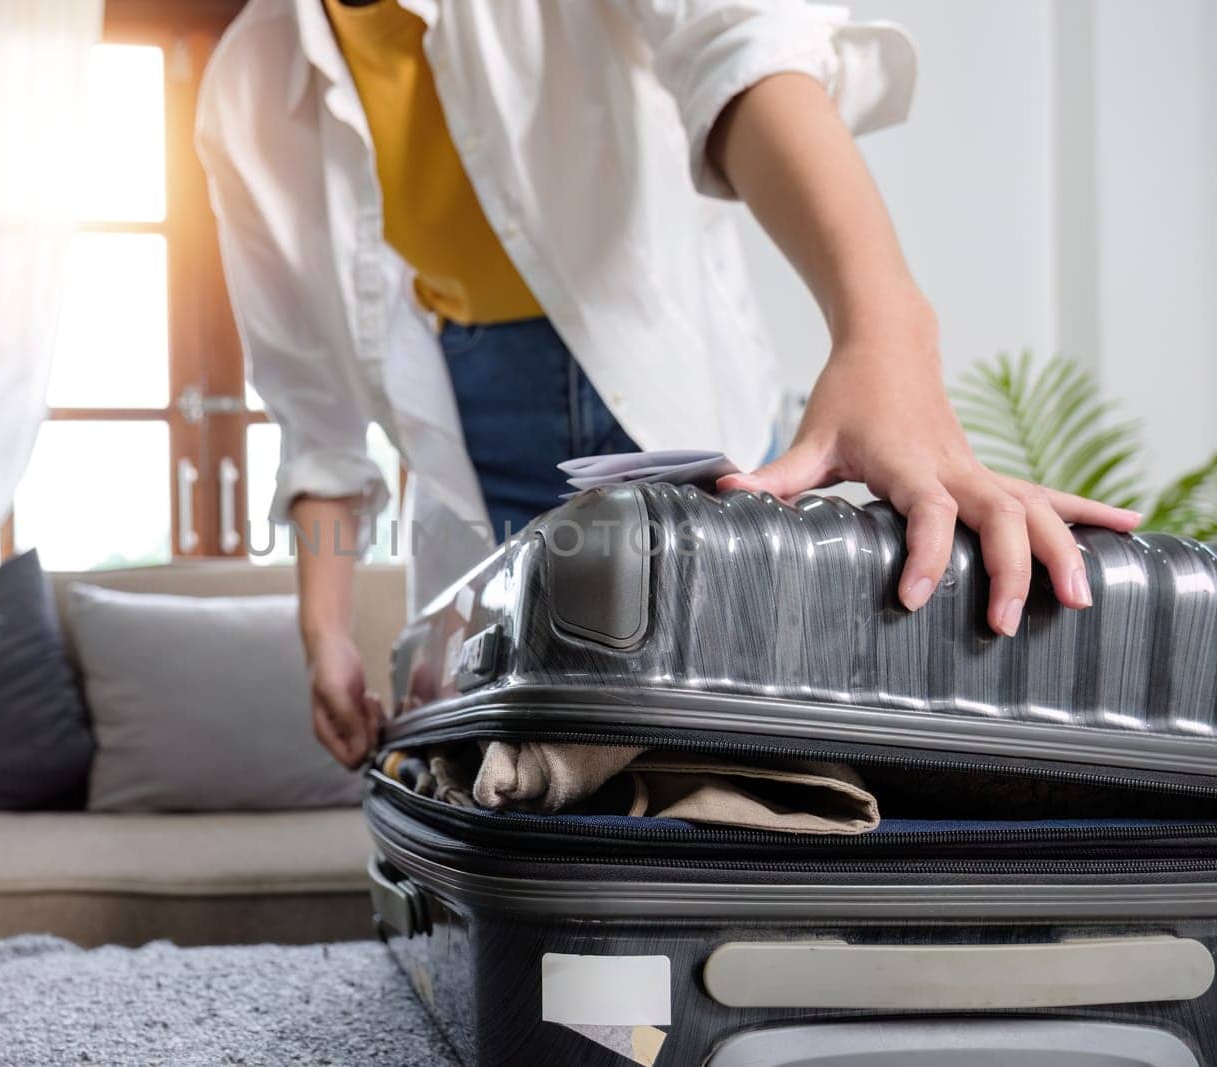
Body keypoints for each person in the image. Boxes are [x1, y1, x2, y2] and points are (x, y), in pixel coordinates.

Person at [194, 0, 1142, 769]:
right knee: (510, 783)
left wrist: (886, 331)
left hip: (671, 409)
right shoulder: (243, 90)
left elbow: (741, 46)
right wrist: (325, 634)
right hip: (463, 447)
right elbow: (312, 408)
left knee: (734, 760)